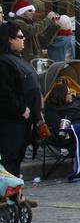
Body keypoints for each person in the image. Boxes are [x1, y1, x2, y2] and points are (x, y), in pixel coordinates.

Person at [0, 22, 42, 177]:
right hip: (12, 121)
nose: (23, 39)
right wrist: (21, 109)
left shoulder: (17, 58)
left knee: (16, 159)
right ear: (10, 39)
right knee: (10, 160)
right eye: (20, 37)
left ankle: (14, 196)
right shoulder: (4, 61)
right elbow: (5, 91)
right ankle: (8, 197)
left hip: (24, 120)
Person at [8, 0, 59, 64]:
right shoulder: (17, 22)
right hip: (25, 61)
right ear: (21, 12)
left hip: (35, 61)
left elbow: (43, 42)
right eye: (29, 10)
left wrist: (54, 26)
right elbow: (32, 31)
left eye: (33, 10)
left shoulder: (30, 24)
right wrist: (48, 19)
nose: (33, 12)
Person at [43, 80, 80, 149]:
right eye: (68, 93)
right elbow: (56, 128)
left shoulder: (75, 102)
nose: (71, 95)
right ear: (61, 95)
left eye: (71, 92)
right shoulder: (51, 109)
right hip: (67, 136)